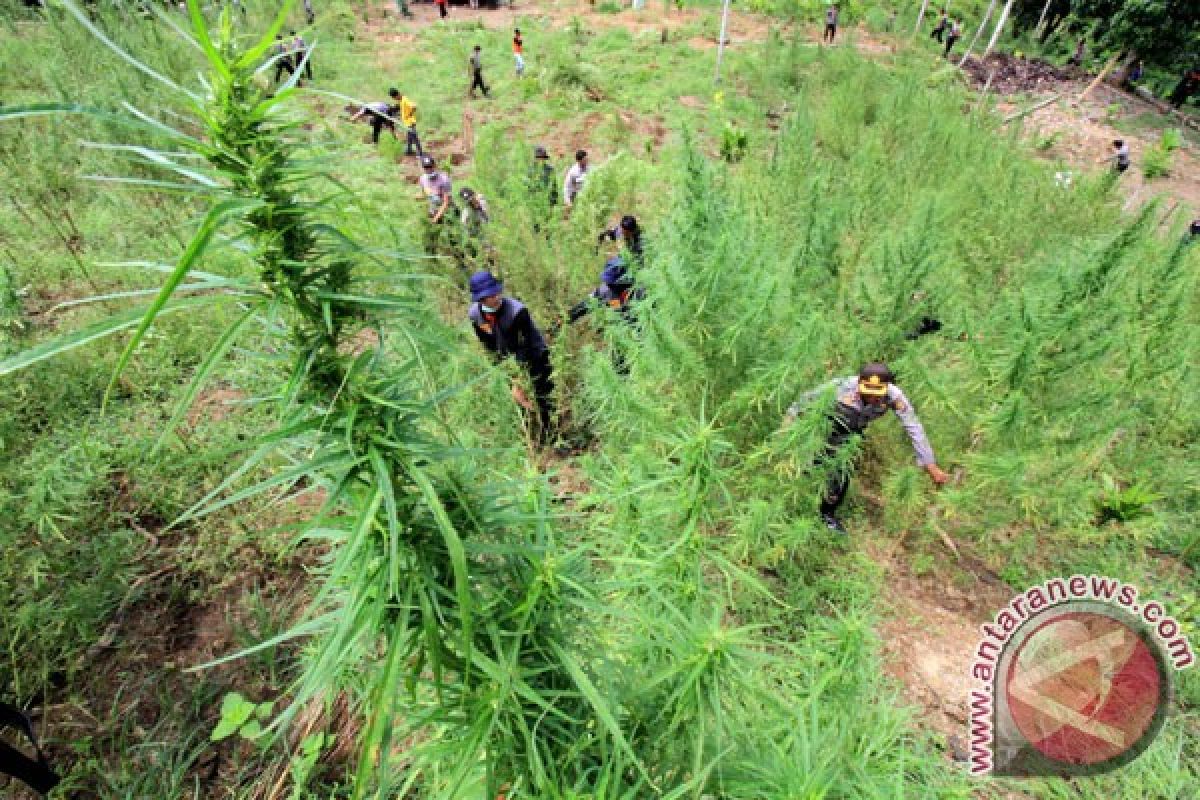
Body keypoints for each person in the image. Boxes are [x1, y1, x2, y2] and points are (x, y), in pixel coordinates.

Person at [784, 363, 948, 534]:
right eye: (867, 391)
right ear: (859, 383)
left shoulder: (894, 396)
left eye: (877, 393)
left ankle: (827, 515)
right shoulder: (842, 386)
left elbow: (914, 427)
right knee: (810, 464)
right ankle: (795, 492)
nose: (872, 396)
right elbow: (802, 402)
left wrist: (931, 465)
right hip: (824, 423)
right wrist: (786, 432)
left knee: (843, 468)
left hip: (851, 433)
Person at [467, 271, 556, 444]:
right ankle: (529, 434)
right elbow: (488, 345)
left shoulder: (517, 312)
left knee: (543, 395)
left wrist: (518, 380)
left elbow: (527, 345)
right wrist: (503, 371)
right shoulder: (475, 316)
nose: (496, 297)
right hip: (506, 358)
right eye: (490, 295)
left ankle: (550, 433)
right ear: (481, 300)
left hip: (534, 355)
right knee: (518, 400)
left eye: (496, 292)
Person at [419, 155, 456, 252]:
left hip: (448, 212)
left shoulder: (444, 179)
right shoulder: (423, 179)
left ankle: (461, 262)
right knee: (430, 236)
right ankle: (431, 258)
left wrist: (436, 218)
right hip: (434, 210)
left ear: (434, 166)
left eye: (430, 167)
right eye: (426, 167)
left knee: (452, 237)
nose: (428, 169)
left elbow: (446, 202)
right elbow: (426, 195)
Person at [458, 187, 492, 268]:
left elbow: (488, 213)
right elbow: (464, 227)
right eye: (468, 201)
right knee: (487, 248)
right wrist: (470, 233)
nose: (471, 202)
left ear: (475, 195)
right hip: (479, 231)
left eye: (472, 198)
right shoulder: (466, 213)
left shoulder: (482, 200)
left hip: (489, 226)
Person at [396, 89, 422, 157]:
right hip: (407, 123)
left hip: (410, 123)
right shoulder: (401, 100)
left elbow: (414, 107)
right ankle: (409, 150)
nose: (396, 99)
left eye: (395, 97)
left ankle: (420, 153)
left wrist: (409, 114)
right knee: (409, 137)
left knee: (414, 138)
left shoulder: (405, 100)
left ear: (397, 94)